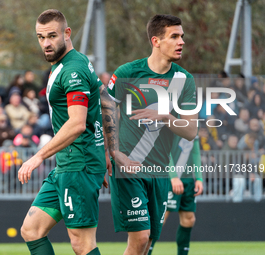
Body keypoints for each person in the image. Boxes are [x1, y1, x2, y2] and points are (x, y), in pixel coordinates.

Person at [17, 9, 107, 255]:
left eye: (52, 36)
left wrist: (38, 156)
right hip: (67, 164)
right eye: (40, 37)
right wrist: (107, 153)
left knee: (82, 243)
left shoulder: (72, 69)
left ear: (67, 33)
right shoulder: (73, 62)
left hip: (79, 164)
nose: (46, 43)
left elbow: (77, 123)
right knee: (31, 230)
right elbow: (105, 102)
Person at [107, 14, 198, 255]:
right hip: (129, 168)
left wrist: (166, 117)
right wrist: (112, 153)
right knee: (139, 239)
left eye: (182, 36)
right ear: (156, 41)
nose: (181, 42)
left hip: (159, 174)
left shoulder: (184, 80)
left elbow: (190, 131)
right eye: (174, 36)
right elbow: (103, 112)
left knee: (147, 245)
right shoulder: (127, 72)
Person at [148, 136, 203, 255]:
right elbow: (164, 148)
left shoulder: (194, 121)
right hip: (168, 178)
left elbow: (195, 150)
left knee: (189, 219)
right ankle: (144, 252)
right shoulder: (171, 118)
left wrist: (198, 177)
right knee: (160, 219)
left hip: (187, 180)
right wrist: (173, 176)